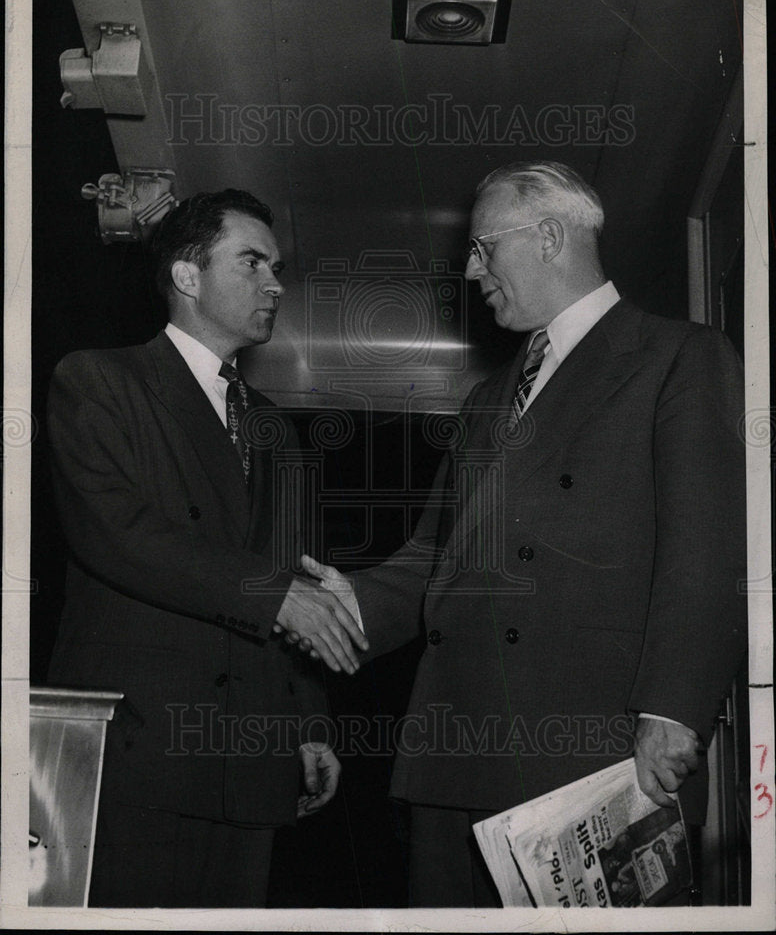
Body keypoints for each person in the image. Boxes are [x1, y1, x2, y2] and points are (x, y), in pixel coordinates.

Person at [290, 162, 748, 906]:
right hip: (456, 759)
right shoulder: (485, 400)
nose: (472, 272)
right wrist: (353, 602)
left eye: (482, 248)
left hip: (594, 759)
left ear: (548, 236)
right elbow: (437, 559)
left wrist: (672, 710)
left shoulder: (679, 359)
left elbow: (712, 552)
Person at [45, 189, 368, 907]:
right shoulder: (99, 381)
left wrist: (310, 725)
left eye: (277, 267)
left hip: (253, 761)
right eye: (251, 262)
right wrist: (273, 594)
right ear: (187, 277)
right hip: (139, 753)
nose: (275, 284)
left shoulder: (277, 430)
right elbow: (117, 533)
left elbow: (301, 583)